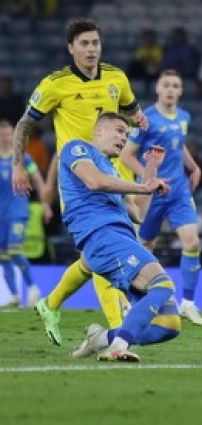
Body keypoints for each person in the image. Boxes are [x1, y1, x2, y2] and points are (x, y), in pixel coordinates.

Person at [11, 18, 148, 345]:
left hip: (111, 171)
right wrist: (18, 164)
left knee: (100, 250)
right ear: (71, 48)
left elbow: (133, 114)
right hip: (80, 176)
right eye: (84, 44)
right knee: (105, 242)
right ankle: (119, 331)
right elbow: (24, 124)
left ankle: (50, 303)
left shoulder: (116, 78)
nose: (91, 49)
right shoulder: (55, 84)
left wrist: (138, 120)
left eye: (95, 43)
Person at [60, 112, 179, 361]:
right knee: (163, 284)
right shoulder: (77, 148)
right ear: (99, 131)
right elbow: (94, 181)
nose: (124, 138)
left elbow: (139, 214)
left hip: (121, 240)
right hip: (101, 236)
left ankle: (101, 339)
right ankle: (118, 347)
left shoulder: (114, 174)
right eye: (119, 131)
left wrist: (150, 169)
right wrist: (142, 186)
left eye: (127, 134)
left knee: (167, 325)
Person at [120, 70, 202, 326]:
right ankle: (134, 302)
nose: (170, 89)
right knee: (145, 247)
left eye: (175, 86)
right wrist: (148, 180)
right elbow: (126, 155)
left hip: (178, 190)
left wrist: (193, 167)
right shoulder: (146, 119)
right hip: (153, 194)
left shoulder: (184, 117)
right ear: (158, 89)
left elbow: (177, 145)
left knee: (192, 242)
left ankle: (188, 304)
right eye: (166, 85)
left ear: (180, 91)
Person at [0, 120, 51, 307]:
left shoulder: (23, 158)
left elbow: (38, 179)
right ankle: (14, 295)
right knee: (3, 255)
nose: (6, 138)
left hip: (18, 212)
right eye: (2, 135)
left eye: (8, 134)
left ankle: (32, 287)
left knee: (14, 250)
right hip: (1, 215)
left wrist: (45, 204)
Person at [127, 28, 163, 93]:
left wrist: (147, 60)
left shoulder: (158, 49)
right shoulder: (140, 49)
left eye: (150, 39)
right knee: (133, 66)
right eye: (146, 39)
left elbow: (158, 62)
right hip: (143, 70)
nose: (148, 41)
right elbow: (138, 61)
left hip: (155, 71)